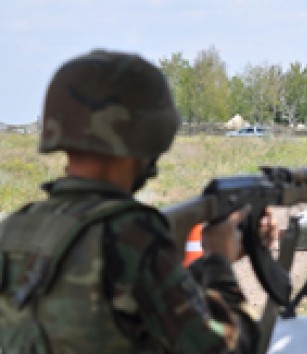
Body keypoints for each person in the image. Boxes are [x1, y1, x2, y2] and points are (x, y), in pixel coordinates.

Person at [0, 50, 274, 353]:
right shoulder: (132, 236)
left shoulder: (13, 229)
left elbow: (138, 306)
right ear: (148, 134)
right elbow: (225, 347)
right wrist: (220, 261)